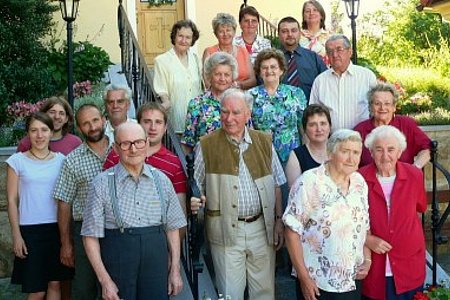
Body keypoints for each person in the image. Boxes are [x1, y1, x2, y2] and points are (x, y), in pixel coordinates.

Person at [191, 88, 286, 299]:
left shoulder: (264, 142)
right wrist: (197, 200)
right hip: (225, 231)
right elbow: (196, 187)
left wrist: (278, 220)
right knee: (230, 294)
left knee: (264, 293)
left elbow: (277, 185)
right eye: (224, 112)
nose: (229, 118)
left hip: (261, 228)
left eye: (235, 112)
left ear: (247, 114)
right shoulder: (206, 145)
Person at [82, 122, 186, 300]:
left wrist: (175, 270)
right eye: (125, 144)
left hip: (156, 257)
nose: (133, 149)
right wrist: (105, 281)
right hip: (118, 256)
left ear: (146, 143)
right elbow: (90, 236)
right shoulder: (101, 183)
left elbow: (173, 228)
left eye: (138, 142)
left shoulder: (162, 180)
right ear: (115, 148)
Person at [284, 129, 371, 300]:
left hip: (351, 280)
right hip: (317, 282)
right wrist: (304, 278)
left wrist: (367, 260)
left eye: (356, 153)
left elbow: (364, 227)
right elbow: (291, 231)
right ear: (330, 153)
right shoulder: (309, 182)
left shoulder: (359, 182)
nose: (351, 159)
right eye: (345, 152)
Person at [7, 112, 73, 299]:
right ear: (28, 133)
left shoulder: (62, 161)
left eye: (44, 130)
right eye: (34, 130)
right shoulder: (16, 161)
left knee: (55, 284)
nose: (39, 135)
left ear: (52, 133)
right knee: (36, 290)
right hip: (30, 231)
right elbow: (12, 200)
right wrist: (16, 235)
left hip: (56, 229)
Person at [359, 125, 426, 300]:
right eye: (379, 150)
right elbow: (349, 220)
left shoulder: (414, 175)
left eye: (391, 149)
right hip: (374, 265)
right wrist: (367, 238)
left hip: (409, 264)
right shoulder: (359, 179)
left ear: (400, 152)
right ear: (371, 153)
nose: (385, 156)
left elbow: (420, 206)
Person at [53, 104, 112, 299]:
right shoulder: (72, 160)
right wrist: (66, 243)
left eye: (95, 120)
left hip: (117, 229)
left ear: (103, 120)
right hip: (85, 230)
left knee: (115, 285)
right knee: (84, 288)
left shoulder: (121, 150)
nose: (92, 126)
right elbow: (64, 203)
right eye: (86, 123)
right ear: (79, 128)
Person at [103, 102, 187, 235]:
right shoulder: (116, 155)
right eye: (147, 121)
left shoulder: (174, 163)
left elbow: (179, 213)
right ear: (138, 124)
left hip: (157, 240)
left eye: (158, 122)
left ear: (165, 128)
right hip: (119, 237)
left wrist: (171, 251)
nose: (153, 127)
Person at [249, 48, 307, 165]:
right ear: (259, 72)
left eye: (273, 67)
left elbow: (303, 126)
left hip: (291, 156)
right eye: (264, 68)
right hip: (262, 157)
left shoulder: (296, 93)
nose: (269, 71)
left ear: (281, 70)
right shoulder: (250, 96)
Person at [354, 82, 431, 168]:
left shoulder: (406, 124)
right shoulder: (360, 130)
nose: (382, 108)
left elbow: (427, 149)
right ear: (370, 107)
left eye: (387, 103)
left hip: (403, 179)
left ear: (394, 107)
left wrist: (414, 168)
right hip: (369, 180)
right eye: (377, 103)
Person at [310, 34, 377, 130]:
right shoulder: (320, 81)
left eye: (339, 50)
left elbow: (376, 109)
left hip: (361, 139)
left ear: (350, 52)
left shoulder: (366, 76)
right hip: (330, 141)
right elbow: (313, 114)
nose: (334, 55)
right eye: (330, 51)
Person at [153, 19, 203, 133]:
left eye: (188, 37)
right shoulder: (162, 61)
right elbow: (161, 89)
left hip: (196, 121)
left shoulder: (196, 59)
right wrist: (165, 102)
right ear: (174, 37)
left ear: (192, 40)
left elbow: (201, 88)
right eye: (180, 36)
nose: (183, 40)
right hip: (176, 121)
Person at [181, 52, 238, 151]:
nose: (222, 79)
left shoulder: (240, 102)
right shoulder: (196, 104)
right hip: (205, 162)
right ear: (209, 76)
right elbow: (188, 143)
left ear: (232, 77)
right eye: (217, 74)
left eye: (227, 75)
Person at [277, 16, 327, 101]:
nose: (290, 34)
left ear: (300, 33)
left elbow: (326, 82)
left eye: (294, 30)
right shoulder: (270, 59)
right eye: (285, 31)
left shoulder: (313, 58)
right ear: (278, 34)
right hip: (279, 111)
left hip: (309, 110)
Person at [203, 13, 256, 90]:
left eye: (228, 30)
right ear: (215, 34)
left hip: (241, 97)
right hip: (217, 98)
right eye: (221, 31)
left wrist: (238, 84)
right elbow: (207, 82)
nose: (225, 34)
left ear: (234, 32)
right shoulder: (209, 52)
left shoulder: (243, 51)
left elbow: (253, 81)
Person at [285, 104, 331, 188]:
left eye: (323, 123)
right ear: (305, 129)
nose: (319, 129)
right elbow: (294, 194)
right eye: (312, 124)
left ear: (330, 126)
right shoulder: (296, 156)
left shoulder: (339, 150)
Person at [17, 96, 82, 155]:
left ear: (66, 119)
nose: (57, 117)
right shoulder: (26, 143)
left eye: (61, 113)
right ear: (43, 115)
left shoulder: (75, 143)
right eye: (52, 112)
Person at [299, 0, 331, 65]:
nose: (311, 13)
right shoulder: (297, 36)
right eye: (307, 11)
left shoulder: (330, 36)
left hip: (325, 73)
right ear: (304, 16)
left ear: (321, 15)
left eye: (315, 10)